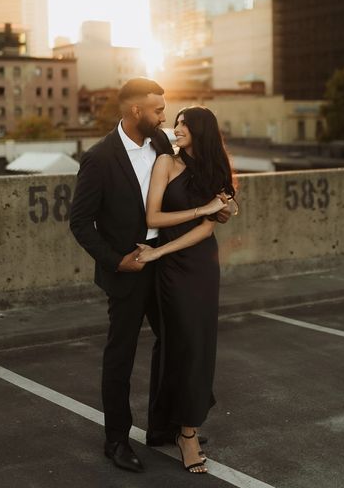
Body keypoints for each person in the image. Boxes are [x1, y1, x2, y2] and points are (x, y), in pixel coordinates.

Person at [69, 78, 229, 474]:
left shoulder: (161, 144)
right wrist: (115, 260)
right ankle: (116, 440)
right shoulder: (99, 158)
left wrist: (218, 208)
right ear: (135, 110)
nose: (164, 116)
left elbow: (191, 184)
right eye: (158, 110)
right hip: (128, 268)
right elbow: (79, 222)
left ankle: (163, 428)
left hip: (170, 264)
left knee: (176, 345)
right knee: (120, 356)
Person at [136, 105, 236, 474]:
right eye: (175, 122)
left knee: (200, 345)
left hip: (201, 267)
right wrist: (203, 209)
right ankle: (183, 431)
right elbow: (153, 218)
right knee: (182, 345)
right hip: (173, 271)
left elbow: (209, 228)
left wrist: (218, 208)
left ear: (201, 130)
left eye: (183, 124)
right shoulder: (166, 163)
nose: (175, 128)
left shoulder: (211, 171)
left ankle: (181, 427)